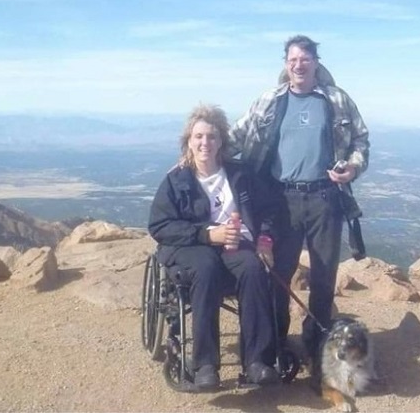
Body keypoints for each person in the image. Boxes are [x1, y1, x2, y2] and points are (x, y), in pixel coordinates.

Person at [228, 35, 370, 377]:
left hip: (325, 198)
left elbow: (361, 140)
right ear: (285, 64)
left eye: (305, 59)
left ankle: (317, 343)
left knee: (324, 276)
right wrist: (195, 156)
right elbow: (236, 135)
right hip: (280, 200)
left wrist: (353, 166)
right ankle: (276, 341)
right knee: (279, 273)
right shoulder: (269, 101)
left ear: (316, 63)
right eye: (293, 60)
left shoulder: (336, 100)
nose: (299, 65)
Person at [148, 103, 280, 390]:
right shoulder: (176, 180)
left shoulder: (240, 175)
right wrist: (208, 235)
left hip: (235, 245)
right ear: (189, 142)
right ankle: (205, 365)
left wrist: (264, 240)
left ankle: (258, 361)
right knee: (205, 268)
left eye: (211, 136)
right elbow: (159, 226)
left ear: (221, 141)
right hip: (192, 247)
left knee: (253, 269)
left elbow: (269, 209)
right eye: (198, 137)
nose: (205, 142)